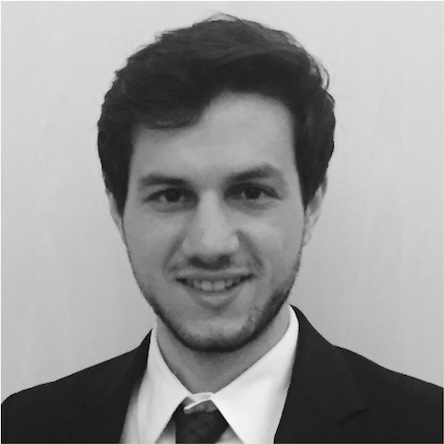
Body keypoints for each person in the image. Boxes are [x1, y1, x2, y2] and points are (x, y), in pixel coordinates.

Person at [2, 14, 442, 444]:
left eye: (251, 193)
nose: (210, 244)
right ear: (118, 210)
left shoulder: (428, 429)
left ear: (311, 206)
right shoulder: (21, 427)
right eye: (171, 196)